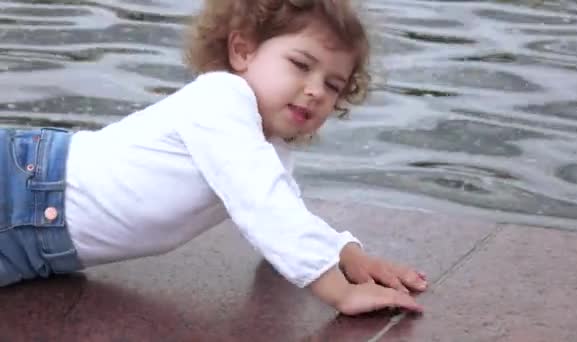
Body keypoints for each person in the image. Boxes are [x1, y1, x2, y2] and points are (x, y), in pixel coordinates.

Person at [0, 0, 428, 316]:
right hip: (20, 188)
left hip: (33, 244)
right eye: (300, 64)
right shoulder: (222, 99)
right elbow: (261, 202)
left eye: (333, 85)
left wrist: (345, 254)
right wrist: (340, 293)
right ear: (242, 51)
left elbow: (281, 206)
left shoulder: (267, 143)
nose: (316, 90)